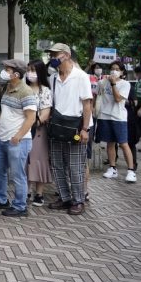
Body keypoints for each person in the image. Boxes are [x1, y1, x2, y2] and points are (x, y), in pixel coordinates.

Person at [46, 43, 92, 216]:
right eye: (51, 54)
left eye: (54, 54)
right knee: (57, 165)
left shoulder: (81, 76)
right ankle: (64, 198)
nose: (52, 57)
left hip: (76, 128)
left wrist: (85, 129)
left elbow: (87, 105)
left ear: (65, 55)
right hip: (57, 126)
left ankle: (78, 200)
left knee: (75, 166)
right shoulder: (53, 78)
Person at [0, 59, 36, 217]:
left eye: (7, 69)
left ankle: (20, 206)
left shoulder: (26, 92)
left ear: (16, 74)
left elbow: (31, 118)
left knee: (17, 174)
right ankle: (1, 199)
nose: (4, 71)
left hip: (18, 141)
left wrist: (18, 137)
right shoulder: (8, 87)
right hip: (1, 138)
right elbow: (6, 110)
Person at [97, 61, 136, 182]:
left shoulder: (125, 84)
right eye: (112, 69)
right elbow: (98, 92)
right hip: (105, 116)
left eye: (117, 69)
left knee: (123, 143)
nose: (114, 71)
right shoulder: (103, 82)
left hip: (118, 117)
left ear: (122, 72)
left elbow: (118, 98)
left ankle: (131, 171)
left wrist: (113, 84)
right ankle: (112, 168)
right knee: (110, 143)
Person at [25, 59, 52, 207]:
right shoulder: (23, 88)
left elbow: (45, 114)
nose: (30, 73)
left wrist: (32, 123)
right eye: (28, 70)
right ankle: (26, 190)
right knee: (25, 160)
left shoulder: (45, 91)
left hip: (38, 131)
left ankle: (39, 193)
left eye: (33, 70)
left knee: (39, 160)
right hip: (23, 131)